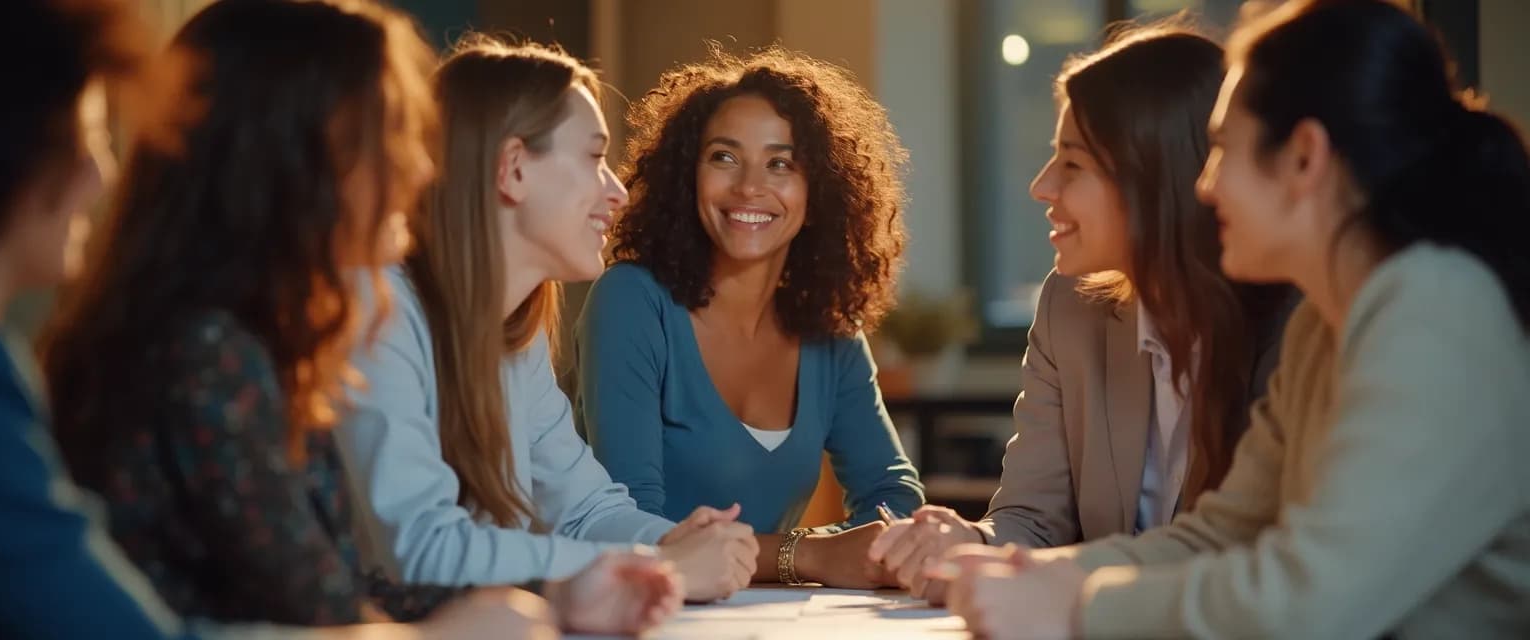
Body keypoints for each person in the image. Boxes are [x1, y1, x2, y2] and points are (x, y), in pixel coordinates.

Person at [40, 1, 678, 633]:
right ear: (299, 158)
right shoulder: (209, 351)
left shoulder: (248, 340)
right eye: (391, 137)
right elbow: (327, 608)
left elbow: (332, 586)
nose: (420, 166)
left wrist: (557, 598)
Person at [940, 1, 1530, 637]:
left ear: (1304, 158)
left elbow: (1311, 601)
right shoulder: (1325, 324)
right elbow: (1221, 534)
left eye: (1222, 148)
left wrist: (1077, 607)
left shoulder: (1436, 310)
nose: (1203, 185)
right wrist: (1037, 577)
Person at [868, 21, 1294, 600]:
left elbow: (1257, 556)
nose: (1041, 187)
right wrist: (970, 542)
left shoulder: (1293, 326)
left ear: (1157, 177)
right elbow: (1031, 518)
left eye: (1073, 164)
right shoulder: (1069, 307)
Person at [337, 36, 757, 603]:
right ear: (513, 169)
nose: (617, 193)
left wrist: (674, 541)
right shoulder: (378, 307)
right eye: (595, 158)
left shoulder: (515, 336)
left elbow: (584, 511)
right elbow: (420, 548)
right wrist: (660, 565)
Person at [578, 46, 925, 588]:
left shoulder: (831, 330)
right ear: (687, 174)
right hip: (635, 609)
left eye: (780, 163)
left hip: (767, 617)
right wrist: (806, 555)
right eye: (724, 157)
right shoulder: (631, 302)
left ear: (820, 188)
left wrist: (838, 551)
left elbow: (893, 495)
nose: (748, 187)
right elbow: (631, 524)